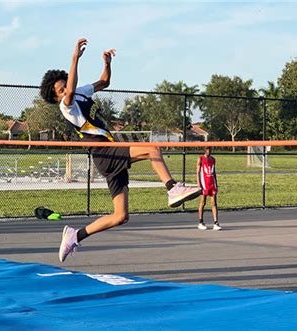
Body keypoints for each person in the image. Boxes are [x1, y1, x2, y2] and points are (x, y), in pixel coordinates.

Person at [39, 38, 201, 262]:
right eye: (60, 90)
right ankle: (172, 188)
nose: (65, 90)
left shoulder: (82, 92)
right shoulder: (66, 107)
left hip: (109, 154)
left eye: (65, 84)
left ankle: (75, 235)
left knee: (120, 216)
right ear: (56, 97)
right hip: (104, 153)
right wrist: (75, 58)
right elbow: (69, 92)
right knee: (152, 148)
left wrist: (107, 63)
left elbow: (103, 82)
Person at [196, 147, 221, 231]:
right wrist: (199, 183)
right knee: (203, 202)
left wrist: (216, 183)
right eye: (207, 149)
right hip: (204, 183)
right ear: (204, 150)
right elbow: (198, 172)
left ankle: (216, 222)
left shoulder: (213, 159)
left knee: (214, 203)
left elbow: (214, 172)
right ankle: (200, 222)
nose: (208, 151)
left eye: (210, 149)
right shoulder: (201, 158)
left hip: (211, 183)